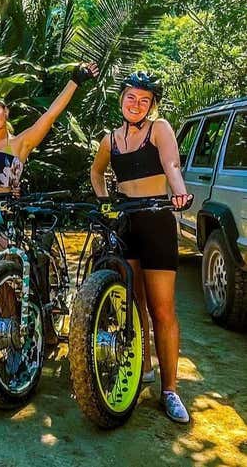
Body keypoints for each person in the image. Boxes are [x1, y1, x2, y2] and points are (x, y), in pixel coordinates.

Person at [90, 71, 194, 423]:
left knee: (162, 309)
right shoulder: (110, 140)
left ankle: (170, 389)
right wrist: (105, 201)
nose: (136, 104)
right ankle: (143, 365)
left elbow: (172, 164)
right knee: (134, 305)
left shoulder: (159, 128)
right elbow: (96, 172)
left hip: (156, 219)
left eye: (144, 100)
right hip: (125, 222)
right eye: (131, 97)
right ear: (121, 99)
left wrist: (178, 191)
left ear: (152, 105)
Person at [0, 63, 99, 271]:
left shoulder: (20, 143)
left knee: (3, 272)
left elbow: (50, 115)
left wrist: (75, 81)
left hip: (4, 210)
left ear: (5, 112)